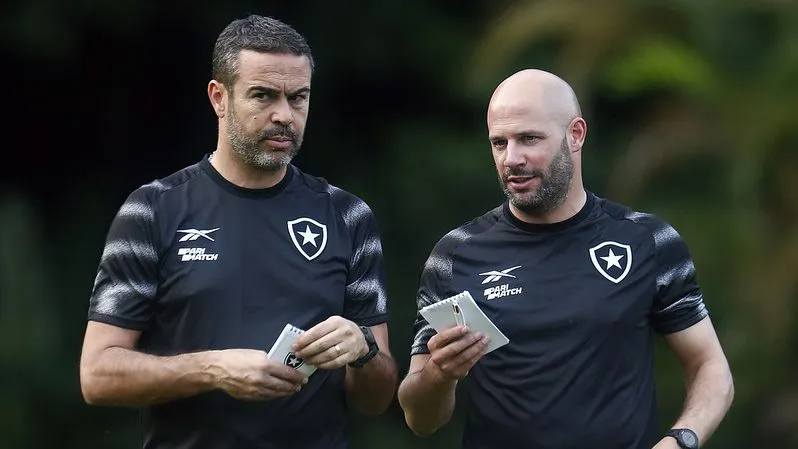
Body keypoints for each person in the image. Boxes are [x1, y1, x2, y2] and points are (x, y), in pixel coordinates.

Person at [79, 15, 397, 449]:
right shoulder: (153, 209)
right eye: (263, 95)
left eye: (298, 97)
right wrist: (212, 369)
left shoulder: (347, 215)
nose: (284, 115)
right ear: (219, 97)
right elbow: (97, 375)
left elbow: (376, 399)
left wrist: (363, 352)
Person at [397, 69, 734, 449]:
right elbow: (419, 418)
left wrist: (681, 440)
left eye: (529, 139)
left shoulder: (647, 241)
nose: (512, 158)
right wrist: (440, 375)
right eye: (499, 142)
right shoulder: (455, 256)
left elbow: (711, 367)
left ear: (576, 135)